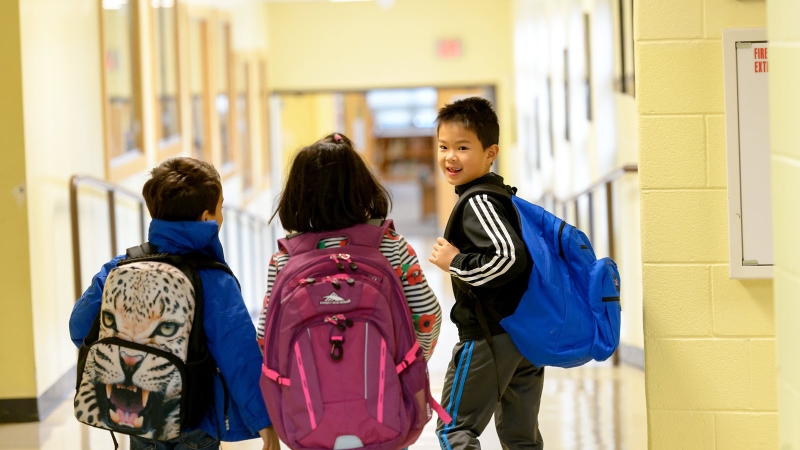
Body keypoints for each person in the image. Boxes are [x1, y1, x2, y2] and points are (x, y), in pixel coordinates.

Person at [69, 157, 279, 450]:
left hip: (138, 418)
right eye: (220, 208)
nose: (221, 216)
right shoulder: (212, 279)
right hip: (194, 421)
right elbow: (239, 357)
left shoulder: (120, 267)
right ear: (207, 218)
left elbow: (79, 328)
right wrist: (264, 422)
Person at [256, 132, 442, 361]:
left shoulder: (284, 260)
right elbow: (428, 316)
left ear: (298, 195)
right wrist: (409, 367)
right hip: (386, 388)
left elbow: (266, 338)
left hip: (307, 393)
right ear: (362, 186)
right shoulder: (392, 246)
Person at [428, 97, 545, 450]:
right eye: (443, 146)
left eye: (463, 147)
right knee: (520, 437)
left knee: (453, 429)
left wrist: (456, 262)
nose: (450, 157)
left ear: (490, 152)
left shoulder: (478, 200)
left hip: (489, 338)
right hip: (521, 335)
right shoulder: (497, 194)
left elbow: (510, 258)